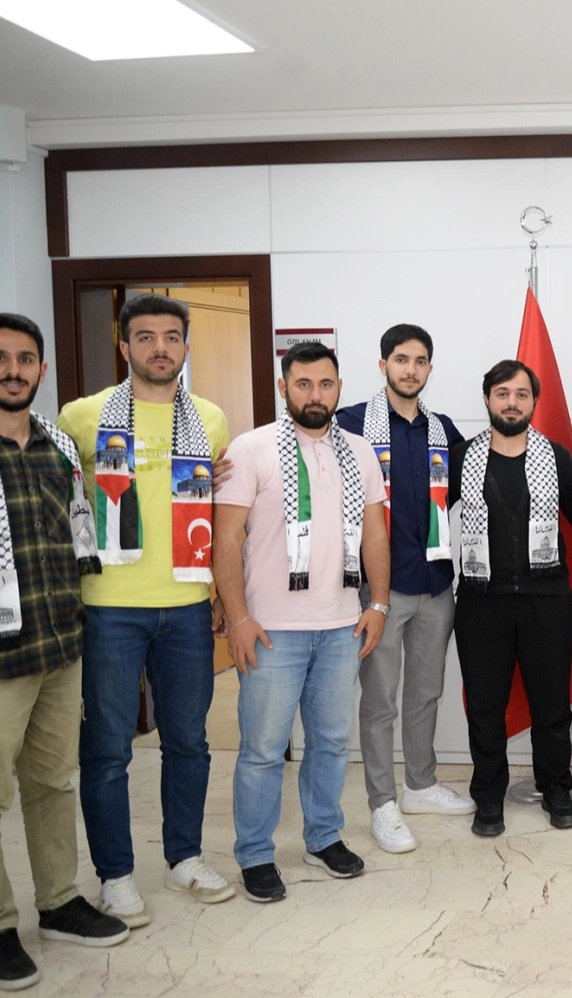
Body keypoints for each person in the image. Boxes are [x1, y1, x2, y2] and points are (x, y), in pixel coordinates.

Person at [0, 314, 128, 991]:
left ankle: (57, 903)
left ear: (42, 369)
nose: (13, 370)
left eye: (25, 359)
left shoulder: (59, 446)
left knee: (53, 785)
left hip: (59, 649)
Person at [56, 294, 235, 926]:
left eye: (171, 337)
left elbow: (215, 509)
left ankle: (184, 857)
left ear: (185, 345)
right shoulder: (81, 417)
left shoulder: (210, 418)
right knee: (107, 750)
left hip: (186, 607)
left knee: (189, 742)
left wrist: (220, 592)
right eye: (146, 337)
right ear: (124, 344)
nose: (160, 347)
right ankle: (115, 876)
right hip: (108, 609)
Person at [213, 341, 390, 903]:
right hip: (270, 631)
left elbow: (375, 533)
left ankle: (323, 837)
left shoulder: (360, 450)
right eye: (304, 384)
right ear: (283, 387)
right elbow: (225, 539)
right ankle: (255, 854)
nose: (316, 394)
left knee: (331, 744)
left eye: (326, 384)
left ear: (339, 388)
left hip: (341, 627)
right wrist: (238, 617)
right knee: (263, 750)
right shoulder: (252, 448)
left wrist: (378, 605)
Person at [448, 360, 572, 836]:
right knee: (484, 708)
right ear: (487, 400)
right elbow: (428, 519)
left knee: (552, 706)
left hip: (546, 601)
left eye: (521, 394)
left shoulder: (555, 457)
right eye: (502, 393)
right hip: (481, 603)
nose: (512, 402)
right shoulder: (461, 458)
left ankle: (556, 788)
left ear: (534, 402)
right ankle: (488, 797)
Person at [335, 324, 473, 854]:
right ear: (383, 365)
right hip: (380, 591)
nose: (410, 370)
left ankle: (420, 784)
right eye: (400, 359)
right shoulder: (351, 425)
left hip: (436, 584)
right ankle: (382, 803)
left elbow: (480, 475)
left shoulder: (443, 429)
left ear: (429, 369)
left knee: (425, 692)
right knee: (379, 702)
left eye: (419, 361)